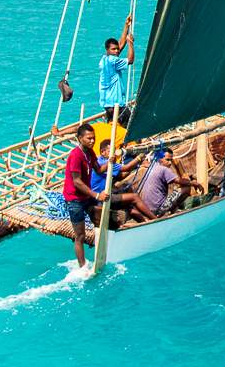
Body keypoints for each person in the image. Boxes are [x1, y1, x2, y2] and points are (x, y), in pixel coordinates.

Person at [61, 122, 105, 267]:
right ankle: (82, 266)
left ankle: (101, 250)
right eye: (88, 138)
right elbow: (77, 182)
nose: (92, 141)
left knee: (100, 219)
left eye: (93, 138)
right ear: (80, 138)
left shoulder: (90, 153)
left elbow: (98, 170)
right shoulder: (75, 156)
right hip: (75, 200)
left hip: (86, 197)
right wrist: (97, 195)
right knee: (80, 236)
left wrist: (111, 162)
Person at [132, 146, 199, 220]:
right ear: (160, 159)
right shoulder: (164, 169)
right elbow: (179, 181)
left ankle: (171, 209)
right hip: (158, 210)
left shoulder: (151, 166)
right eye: (167, 160)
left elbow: (144, 162)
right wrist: (195, 183)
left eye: (171, 160)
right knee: (186, 188)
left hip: (147, 211)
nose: (170, 163)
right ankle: (171, 210)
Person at [99, 16, 134, 124]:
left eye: (117, 49)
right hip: (116, 104)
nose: (116, 51)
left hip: (107, 103)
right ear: (107, 50)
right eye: (113, 49)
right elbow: (130, 60)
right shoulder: (113, 61)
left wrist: (126, 26)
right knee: (129, 125)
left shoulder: (105, 59)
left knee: (113, 125)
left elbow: (120, 45)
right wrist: (130, 44)